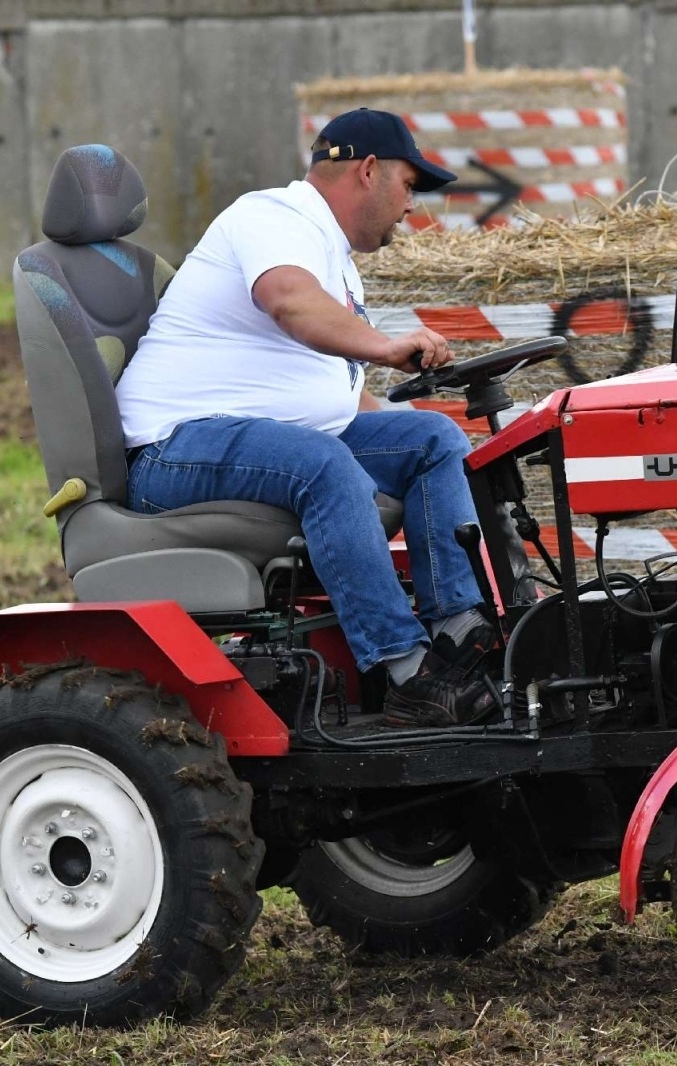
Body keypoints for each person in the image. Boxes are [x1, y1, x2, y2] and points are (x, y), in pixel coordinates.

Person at [115, 108, 497, 729]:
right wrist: (385, 345)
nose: (413, 205)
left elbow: (339, 396)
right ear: (369, 171)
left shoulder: (331, 255)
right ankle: (406, 672)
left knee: (430, 438)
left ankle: (462, 633)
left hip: (250, 442)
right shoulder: (273, 217)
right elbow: (288, 301)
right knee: (325, 464)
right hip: (173, 452)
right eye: (409, 184)